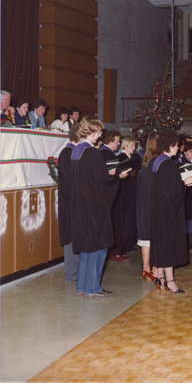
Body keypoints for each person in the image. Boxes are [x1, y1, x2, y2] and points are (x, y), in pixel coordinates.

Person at [70, 116, 130, 297]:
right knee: (99, 247)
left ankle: (82, 286)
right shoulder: (92, 152)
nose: (101, 135)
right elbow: (102, 181)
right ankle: (93, 288)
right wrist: (116, 177)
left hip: (80, 205)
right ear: (93, 132)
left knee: (87, 248)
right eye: (100, 132)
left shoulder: (76, 150)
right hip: (95, 206)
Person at [150, 131, 192, 294]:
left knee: (161, 246)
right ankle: (170, 282)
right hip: (168, 212)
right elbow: (173, 191)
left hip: (156, 211)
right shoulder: (169, 164)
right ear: (170, 146)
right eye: (177, 146)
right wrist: (186, 183)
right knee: (169, 246)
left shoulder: (155, 162)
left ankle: (161, 279)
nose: (178, 148)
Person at [100, 129, 129, 262]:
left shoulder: (101, 152)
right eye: (117, 141)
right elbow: (111, 175)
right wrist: (121, 175)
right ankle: (115, 252)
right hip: (110, 194)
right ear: (110, 141)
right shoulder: (108, 154)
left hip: (103, 195)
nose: (118, 144)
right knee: (115, 223)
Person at [58, 124, 80, 282]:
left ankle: (74, 273)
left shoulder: (70, 152)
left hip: (72, 200)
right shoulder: (68, 153)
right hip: (71, 201)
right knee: (71, 237)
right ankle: (72, 274)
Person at [136, 132, 159, 283]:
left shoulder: (146, 161)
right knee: (153, 237)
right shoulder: (157, 162)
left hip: (143, 204)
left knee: (146, 238)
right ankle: (154, 269)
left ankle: (146, 268)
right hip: (152, 204)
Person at [117, 136, 141, 253]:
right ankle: (123, 246)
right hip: (125, 193)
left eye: (134, 146)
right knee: (125, 221)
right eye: (132, 145)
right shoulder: (121, 158)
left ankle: (129, 243)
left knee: (131, 219)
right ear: (125, 146)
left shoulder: (132, 157)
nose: (134, 148)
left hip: (132, 192)